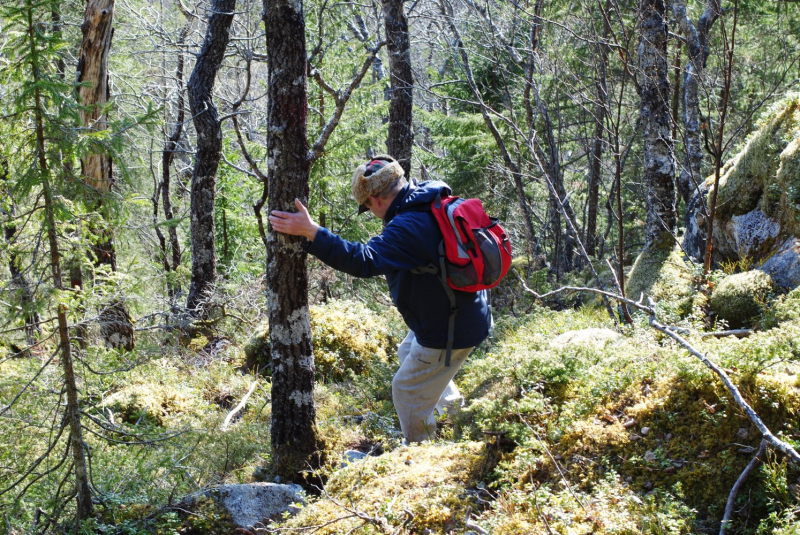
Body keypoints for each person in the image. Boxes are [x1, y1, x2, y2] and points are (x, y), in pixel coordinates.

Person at [268, 155, 492, 444]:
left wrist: (313, 232)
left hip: (451, 327)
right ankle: (456, 415)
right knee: (407, 351)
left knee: (406, 389)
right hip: (466, 310)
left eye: (367, 207)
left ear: (375, 200)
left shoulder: (408, 225)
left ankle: (422, 453)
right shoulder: (426, 199)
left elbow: (363, 261)